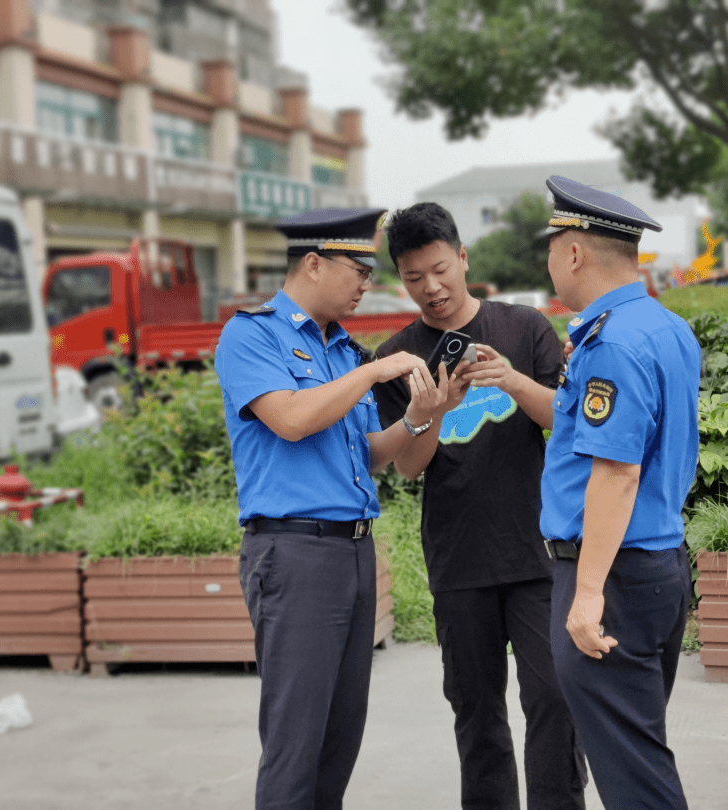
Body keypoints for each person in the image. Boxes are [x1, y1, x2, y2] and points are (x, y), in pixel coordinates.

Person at [215, 207, 466, 810]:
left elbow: (373, 455)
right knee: (295, 740)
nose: (365, 284)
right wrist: (378, 368)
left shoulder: (342, 352)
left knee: (338, 736)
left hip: (353, 551)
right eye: (357, 270)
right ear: (312, 263)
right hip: (294, 552)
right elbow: (293, 419)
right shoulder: (253, 334)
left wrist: (426, 412)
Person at [373, 202, 587, 810]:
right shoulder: (400, 355)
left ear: (463, 259)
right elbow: (409, 467)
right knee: (475, 709)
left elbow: (564, 425)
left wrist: (513, 380)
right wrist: (434, 407)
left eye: (440, 270)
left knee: (554, 701)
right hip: (459, 561)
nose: (431, 288)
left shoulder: (524, 328)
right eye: (414, 278)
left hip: (537, 554)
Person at [538, 175, 701, 809]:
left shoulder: (613, 343)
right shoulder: (665, 328)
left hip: (612, 577)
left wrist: (586, 596)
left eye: (551, 247)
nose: (549, 262)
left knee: (634, 776)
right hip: (655, 567)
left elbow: (616, 472)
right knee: (637, 747)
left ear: (573, 251)